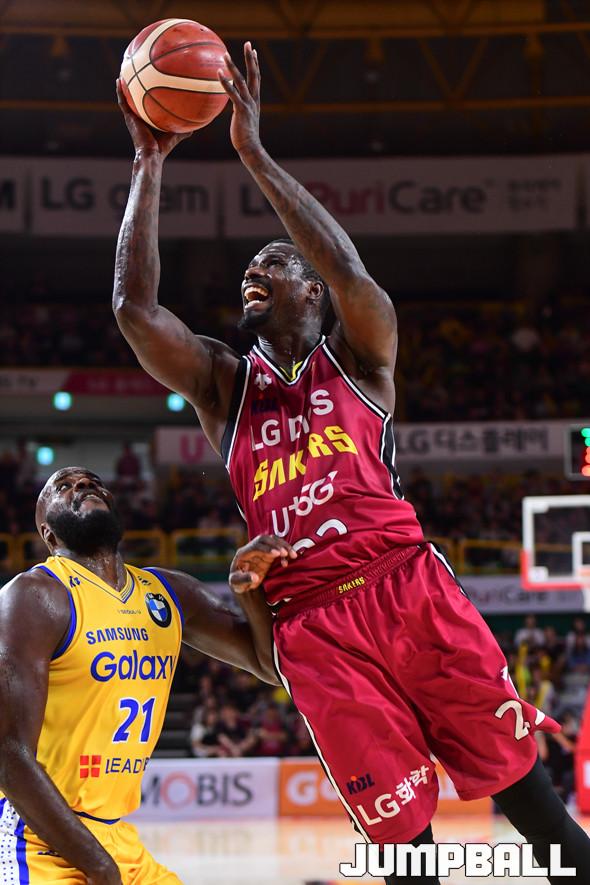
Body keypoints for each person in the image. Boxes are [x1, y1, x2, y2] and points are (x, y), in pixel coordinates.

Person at [113, 44, 590, 884]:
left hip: (409, 588)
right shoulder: (227, 386)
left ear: (312, 291)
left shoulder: (363, 358)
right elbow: (135, 310)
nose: (251, 272)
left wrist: (255, 157)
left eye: (271, 264)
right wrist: (148, 165)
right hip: (314, 627)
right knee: (404, 847)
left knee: (530, 800)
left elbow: (347, 266)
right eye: (248, 268)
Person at [0, 465, 295, 884]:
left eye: (93, 482)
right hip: (34, 837)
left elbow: (269, 666)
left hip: (116, 837)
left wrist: (249, 593)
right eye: (63, 487)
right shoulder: (34, 595)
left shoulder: (168, 592)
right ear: (48, 534)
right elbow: (8, 754)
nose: (83, 485)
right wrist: (99, 867)